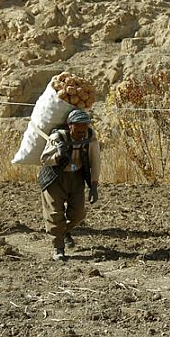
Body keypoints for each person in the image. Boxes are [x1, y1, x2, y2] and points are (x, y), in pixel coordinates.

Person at [38, 109, 101, 261]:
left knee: (78, 214)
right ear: (70, 125)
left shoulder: (90, 138)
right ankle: (58, 247)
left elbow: (95, 162)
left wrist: (94, 185)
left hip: (77, 178)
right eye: (77, 126)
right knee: (54, 214)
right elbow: (44, 159)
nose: (81, 130)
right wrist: (58, 155)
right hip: (54, 178)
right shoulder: (57, 137)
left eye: (84, 126)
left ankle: (62, 231)